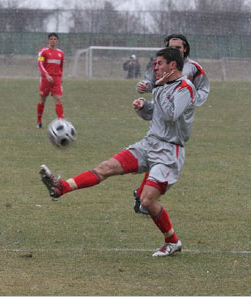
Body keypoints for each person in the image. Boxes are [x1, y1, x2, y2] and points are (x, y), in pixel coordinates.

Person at [40, 47, 196, 257]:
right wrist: (143, 107)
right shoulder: (163, 86)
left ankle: (172, 241)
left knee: (147, 200)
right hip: (149, 144)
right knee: (106, 167)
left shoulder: (185, 88)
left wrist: (157, 89)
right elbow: (157, 114)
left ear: (173, 65)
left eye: (159, 63)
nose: (155, 67)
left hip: (169, 151)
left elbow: (171, 115)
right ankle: (62, 187)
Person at [133, 33, 210, 215]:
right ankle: (143, 195)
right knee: (156, 151)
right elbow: (151, 82)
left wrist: (191, 101)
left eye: (178, 47)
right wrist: (142, 87)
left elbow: (203, 88)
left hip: (178, 114)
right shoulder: (162, 62)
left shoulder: (194, 67)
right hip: (161, 111)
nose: (175, 50)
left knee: (160, 153)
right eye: (171, 47)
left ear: (185, 49)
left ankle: (143, 194)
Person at [36, 32, 65, 128]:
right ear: (48, 40)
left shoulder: (61, 53)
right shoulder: (43, 51)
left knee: (59, 99)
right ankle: (39, 121)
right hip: (45, 79)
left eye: (54, 39)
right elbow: (40, 64)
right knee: (42, 100)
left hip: (56, 79)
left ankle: (61, 121)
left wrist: (61, 78)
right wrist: (47, 75)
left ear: (57, 41)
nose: (53, 41)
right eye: (51, 39)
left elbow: (61, 67)